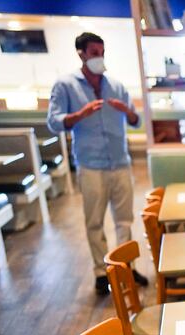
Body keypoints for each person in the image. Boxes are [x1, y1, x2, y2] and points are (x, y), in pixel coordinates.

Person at [47, 32, 147, 295]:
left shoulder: (116, 86)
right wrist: (79, 115)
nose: (99, 57)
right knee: (94, 222)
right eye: (94, 52)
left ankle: (127, 268)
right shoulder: (65, 85)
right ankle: (102, 273)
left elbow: (137, 121)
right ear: (81, 53)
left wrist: (127, 111)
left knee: (124, 220)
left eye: (102, 52)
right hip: (91, 164)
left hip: (120, 162)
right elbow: (54, 121)